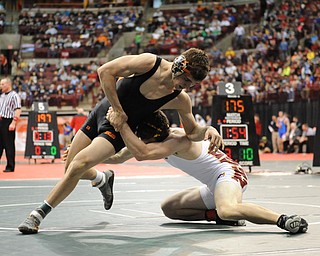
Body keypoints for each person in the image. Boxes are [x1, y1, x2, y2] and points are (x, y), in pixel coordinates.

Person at [18, 48, 223, 234]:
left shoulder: (179, 98)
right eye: (186, 81)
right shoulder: (150, 63)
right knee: (70, 168)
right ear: (179, 65)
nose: (186, 87)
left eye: (192, 85)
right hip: (103, 111)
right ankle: (101, 179)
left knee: (79, 164)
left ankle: (37, 215)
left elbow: (192, 131)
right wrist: (117, 110)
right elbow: (105, 71)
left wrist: (208, 130)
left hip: (118, 129)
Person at [106, 109, 308, 234]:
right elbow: (117, 157)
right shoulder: (157, 139)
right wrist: (79, 158)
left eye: (140, 136)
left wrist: (121, 125)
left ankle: (284, 219)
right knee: (169, 208)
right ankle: (220, 217)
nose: (138, 139)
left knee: (227, 208)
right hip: (214, 183)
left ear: (150, 137)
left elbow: (140, 154)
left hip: (228, 174)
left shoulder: (175, 141)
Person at [0, 77, 21, 172]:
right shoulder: (2, 96)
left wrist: (13, 122)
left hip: (8, 121)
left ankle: (10, 166)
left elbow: (18, 109)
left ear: (8, 84)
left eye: (2, 84)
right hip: (1, 120)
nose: (1, 86)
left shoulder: (14, 95)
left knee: (9, 145)